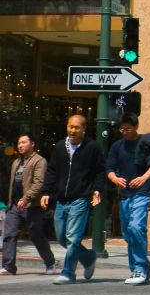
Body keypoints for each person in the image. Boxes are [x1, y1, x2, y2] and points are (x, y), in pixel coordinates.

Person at [41, 114, 105, 285]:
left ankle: (68, 273)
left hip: (80, 199)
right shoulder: (60, 147)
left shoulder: (92, 148)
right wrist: (46, 192)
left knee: (73, 238)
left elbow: (100, 171)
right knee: (62, 237)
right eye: (70, 126)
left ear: (84, 129)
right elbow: (52, 171)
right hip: (62, 199)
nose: (73, 130)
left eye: (77, 127)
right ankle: (89, 257)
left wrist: (97, 190)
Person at [106, 112, 150, 285]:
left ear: (136, 126)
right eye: (122, 128)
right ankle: (142, 268)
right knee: (128, 232)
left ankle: (138, 267)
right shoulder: (117, 146)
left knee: (136, 226)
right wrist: (115, 179)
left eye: (128, 128)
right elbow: (109, 167)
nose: (124, 131)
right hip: (124, 194)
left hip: (143, 191)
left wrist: (144, 177)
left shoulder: (146, 142)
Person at [2, 134, 56, 275]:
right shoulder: (16, 162)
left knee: (36, 235)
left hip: (32, 206)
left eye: (23, 142)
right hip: (14, 205)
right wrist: (10, 201)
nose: (20, 145)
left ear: (32, 144)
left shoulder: (39, 161)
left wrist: (26, 198)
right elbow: (13, 185)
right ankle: (9, 266)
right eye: (19, 143)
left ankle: (50, 263)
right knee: (9, 234)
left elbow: (38, 183)